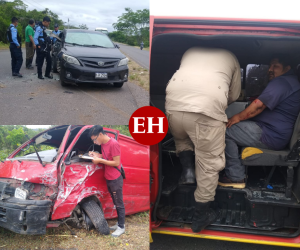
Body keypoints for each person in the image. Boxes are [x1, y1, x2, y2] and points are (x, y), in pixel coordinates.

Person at [165, 47, 241, 233]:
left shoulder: (189, 51)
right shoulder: (231, 57)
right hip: (206, 109)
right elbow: (234, 95)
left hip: (173, 105)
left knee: (181, 138)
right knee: (208, 162)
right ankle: (201, 216)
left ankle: (189, 172)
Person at [219, 55, 300, 188]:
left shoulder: (282, 82)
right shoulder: (291, 83)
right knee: (231, 127)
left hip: (270, 134)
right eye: (270, 66)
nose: (270, 69)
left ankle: (235, 177)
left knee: (225, 129)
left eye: (275, 66)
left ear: (287, 68)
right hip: (274, 133)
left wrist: (237, 117)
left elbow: (259, 106)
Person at [88, 125, 125, 237]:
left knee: (119, 204)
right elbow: (106, 157)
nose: (94, 142)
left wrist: (100, 160)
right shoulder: (103, 144)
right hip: (108, 177)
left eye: (95, 139)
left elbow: (116, 163)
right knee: (115, 201)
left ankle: (121, 227)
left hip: (115, 178)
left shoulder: (113, 144)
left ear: (100, 134)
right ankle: (119, 223)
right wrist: (96, 155)